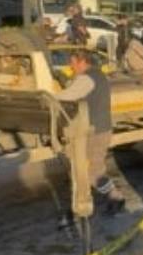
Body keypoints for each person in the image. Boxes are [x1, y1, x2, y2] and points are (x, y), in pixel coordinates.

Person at [53, 51, 124, 238]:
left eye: (73, 63)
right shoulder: (96, 75)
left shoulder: (87, 79)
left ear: (82, 62)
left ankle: (115, 198)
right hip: (94, 130)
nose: (71, 67)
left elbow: (67, 96)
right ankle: (91, 201)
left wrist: (49, 95)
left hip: (95, 131)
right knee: (86, 170)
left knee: (93, 171)